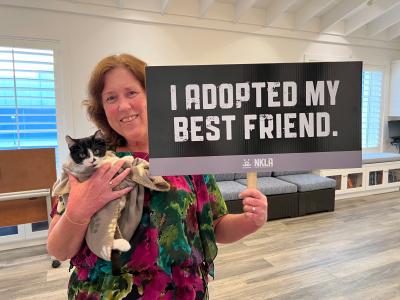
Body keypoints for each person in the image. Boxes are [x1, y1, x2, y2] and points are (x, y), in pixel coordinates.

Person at [47, 54, 268, 300]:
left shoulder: (188, 155)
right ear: (102, 107)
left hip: (182, 293)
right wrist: (79, 210)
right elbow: (58, 249)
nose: (123, 106)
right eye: (111, 97)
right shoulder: (88, 163)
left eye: (132, 93)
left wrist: (251, 221)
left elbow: (215, 226)